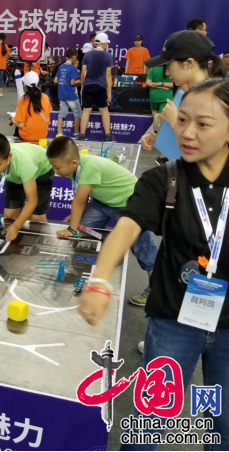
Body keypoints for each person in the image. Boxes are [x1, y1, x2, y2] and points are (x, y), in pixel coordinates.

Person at [79, 78, 229, 449]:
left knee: (225, 423)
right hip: (173, 318)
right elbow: (126, 227)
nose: (187, 133)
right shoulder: (165, 178)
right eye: (182, 120)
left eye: (203, 124)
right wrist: (100, 280)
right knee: (151, 420)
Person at [48, 136, 158, 305]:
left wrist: (71, 228)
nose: (55, 171)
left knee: (143, 248)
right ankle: (82, 275)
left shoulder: (89, 167)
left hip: (130, 203)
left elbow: (79, 201)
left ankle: (156, 290)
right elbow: (82, 196)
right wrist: (76, 220)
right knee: (84, 232)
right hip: (104, 202)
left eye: (57, 167)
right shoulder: (74, 168)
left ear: (73, 163)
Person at [140, 31, 227, 164]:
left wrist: (175, 121)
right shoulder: (185, 95)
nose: (167, 73)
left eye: (169, 66)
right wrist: (161, 140)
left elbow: (213, 153)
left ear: (189, 63)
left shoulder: (215, 98)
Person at [0, 133, 55, 241]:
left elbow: (32, 201)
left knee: (37, 218)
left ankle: (41, 244)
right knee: (10, 217)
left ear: (9, 157)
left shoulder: (24, 164)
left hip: (42, 170)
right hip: (15, 175)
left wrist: (17, 226)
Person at [77, 32, 114, 142]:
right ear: (104, 43)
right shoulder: (108, 56)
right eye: (106, 42)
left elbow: (83, 74)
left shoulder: (87, 55)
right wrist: (109, 92)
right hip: (101, 86)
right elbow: (108, 76)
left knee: (86, 111)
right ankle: (107, 135)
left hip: (88, 85)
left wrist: (82, 87)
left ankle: (82, 135)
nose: (107, 44)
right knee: (104, 110)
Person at [11, 72, 53, 143]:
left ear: (25, 85)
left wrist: (12, 121)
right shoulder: (46, 97)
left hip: (27, 136)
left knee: (17, 126)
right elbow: (48, 113)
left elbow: (21, 125)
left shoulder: (23, 100)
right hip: (42, 135)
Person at [55, 48, 82, 137]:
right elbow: (72, 82)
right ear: (74, 56)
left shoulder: (61, 66)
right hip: (71, 95)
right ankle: (76, 133)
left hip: (62, 94)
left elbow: (55, 80)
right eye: (76, 57)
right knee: (77, 114)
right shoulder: (73, 68)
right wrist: (80, 82)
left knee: (61, 114)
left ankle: (59, 133)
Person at [146, 64, 173, 130]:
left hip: (154, 96)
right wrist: (162, 85)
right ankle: (161, 132)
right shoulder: (171, 69)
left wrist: (158, 85)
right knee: (163, 117)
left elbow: (148, 83)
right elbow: (174, 84)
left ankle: (157, 128)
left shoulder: (153, 69)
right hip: (166, 97)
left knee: (155, 112)